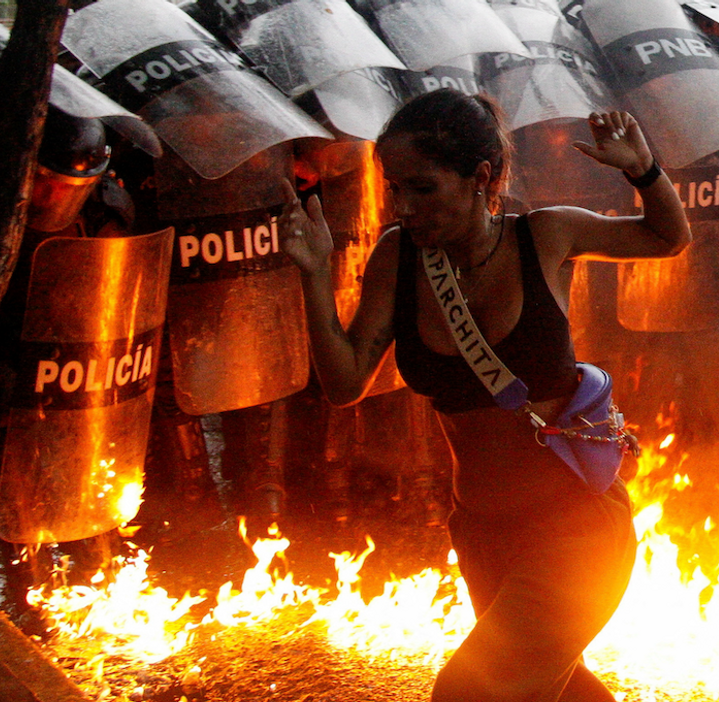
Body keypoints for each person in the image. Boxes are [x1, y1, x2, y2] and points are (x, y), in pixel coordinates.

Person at [279, 88, 689, 701]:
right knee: (558, 691)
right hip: (482, 534)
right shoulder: (398, 255)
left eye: (423, 188)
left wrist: (643, 169)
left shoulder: (546, 236)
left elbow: (666, 239)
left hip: (576, 531)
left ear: (481, 177)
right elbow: (344, 384)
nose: (405, 207)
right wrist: (313, 276)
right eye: (395, 188)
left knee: (467, 692)